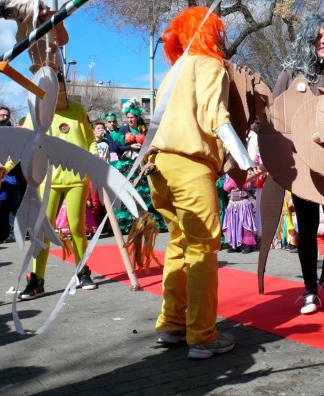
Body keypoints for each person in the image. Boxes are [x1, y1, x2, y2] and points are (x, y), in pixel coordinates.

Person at [145, 6, 255, 359]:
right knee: (204, 248)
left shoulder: (173, 71)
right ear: (211, 33)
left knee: (179, 244)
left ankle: (172, 324)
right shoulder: (208, 65)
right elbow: (215, 115)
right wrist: (245, 159)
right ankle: (203, 335)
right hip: (190, 166)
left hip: (159, 167)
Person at [273, 14, 324, 315]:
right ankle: (309, 289)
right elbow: (273, 116)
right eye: (318, 37)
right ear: (307, 41)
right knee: (306, 228)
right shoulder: (291, 74)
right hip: (302, 164)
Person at [19, 98, 99, 299]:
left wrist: (95, 160)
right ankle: (37, 280)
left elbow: (90, 140)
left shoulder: (78, 109)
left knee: (77, 227)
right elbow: (22, 140)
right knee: (42, 229)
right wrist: (5, 163)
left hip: (77, 177)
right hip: (48, 179)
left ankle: (83, 272)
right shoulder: (36, 112)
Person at [109, 99, 166, 234]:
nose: (130, 120)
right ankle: (128, 224)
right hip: (128, 164)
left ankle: (148, 222)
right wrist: (130, 146)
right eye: (128, 117)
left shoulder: (144, 129)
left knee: (145, 193)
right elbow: (115, 147)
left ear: (137, 117)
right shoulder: (123, 130)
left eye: (132, 117)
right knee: (129, 193)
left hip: (142, 164)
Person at [222, 174, 257, 253]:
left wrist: (239, 180)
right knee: (233, 225)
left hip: (243, 203)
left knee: (246, 225)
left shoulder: (245, 173)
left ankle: (248, 245)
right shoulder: (228, 175)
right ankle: (235, 245)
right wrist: (233, 181)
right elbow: (226, 188)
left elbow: (248, 185)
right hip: (233, 203)